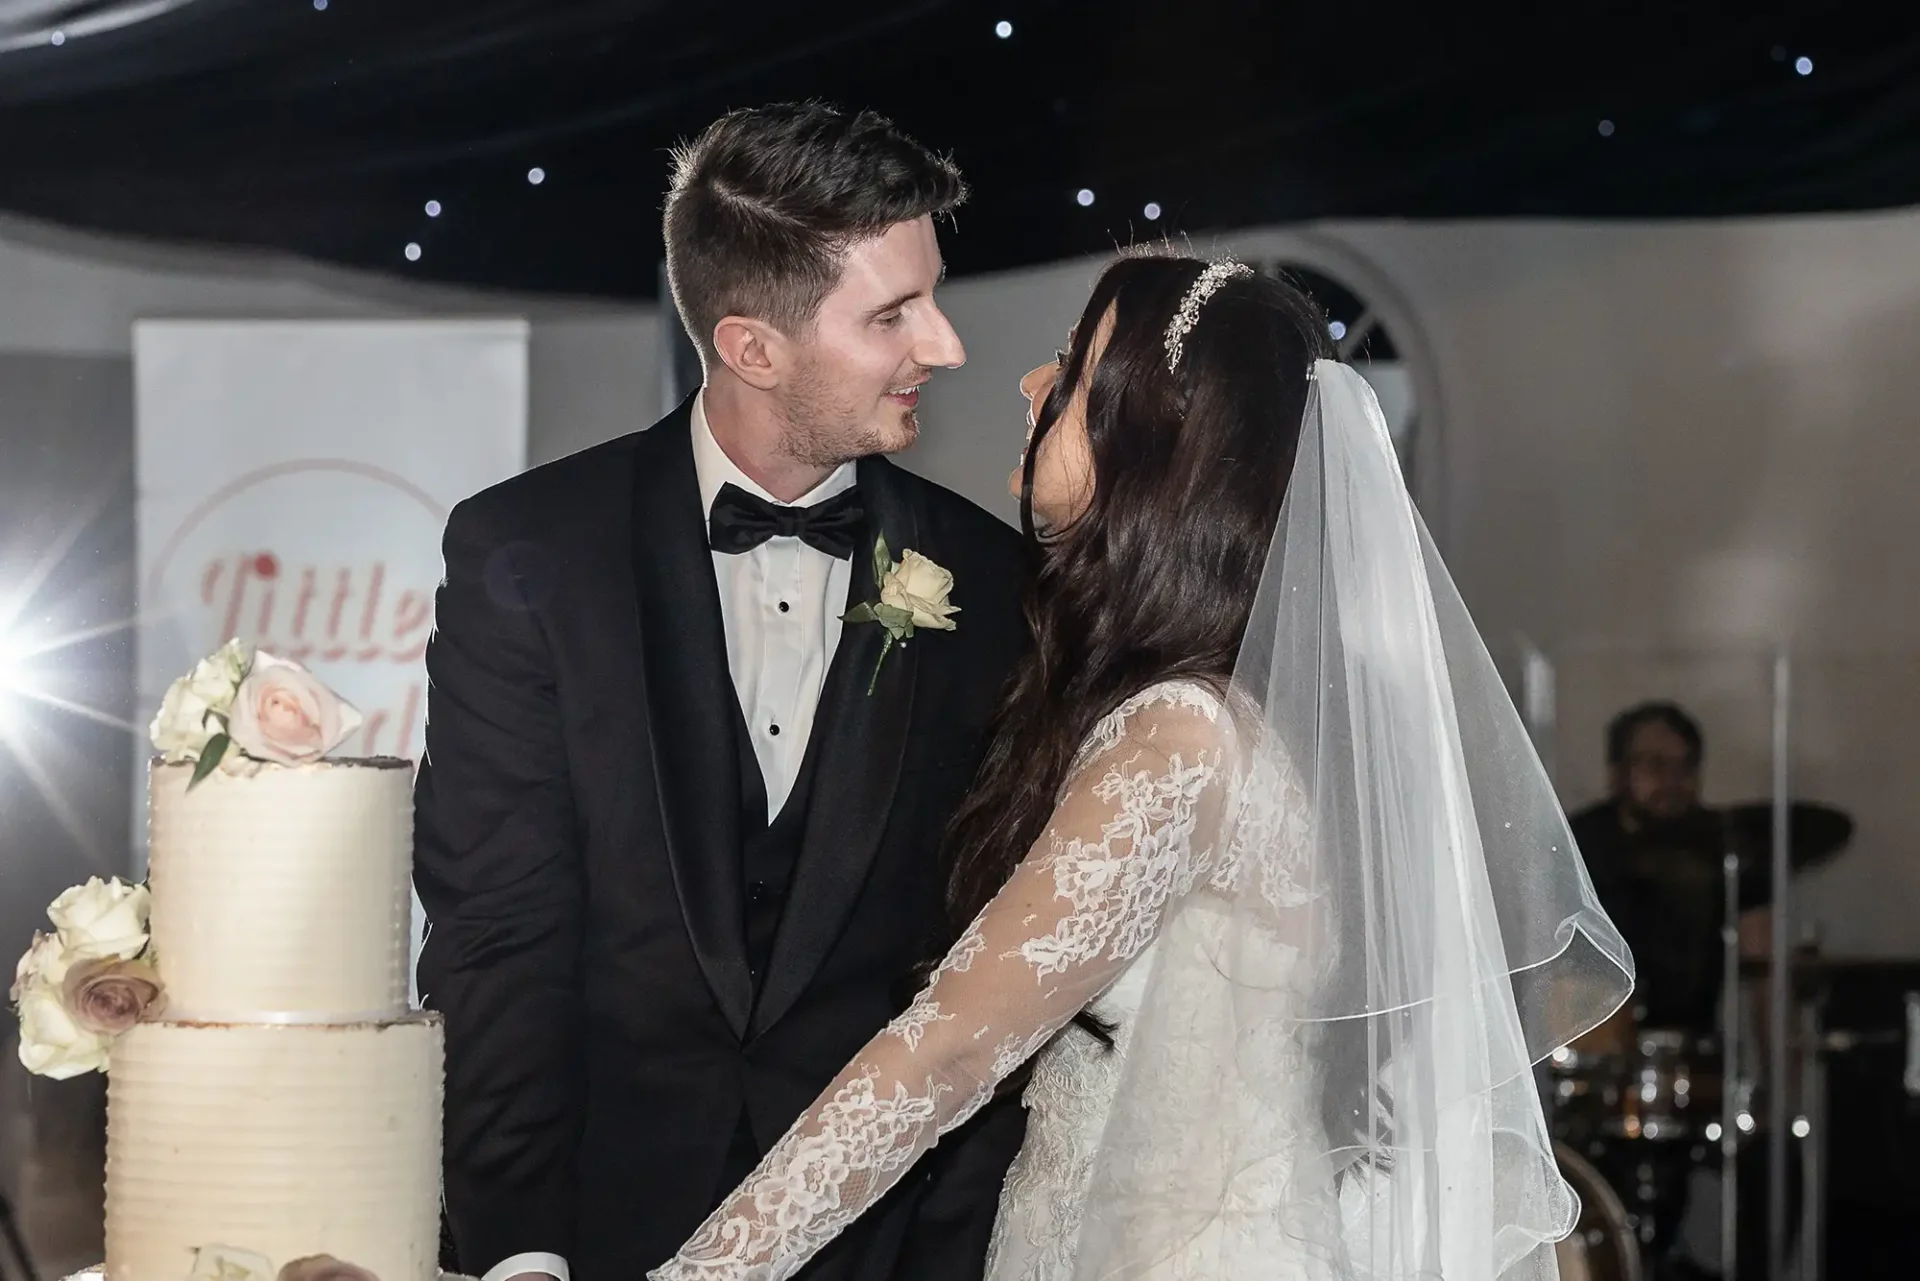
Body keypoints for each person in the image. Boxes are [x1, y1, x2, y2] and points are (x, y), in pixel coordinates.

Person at [650, 254, 1634, 1281]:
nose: (1034, 384)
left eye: (1074, 367)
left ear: (1160, 444)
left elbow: (945, 1052)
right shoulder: (1237, 716)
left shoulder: (1178, 741)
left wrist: (700, 1274)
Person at [413, 103, 1030, 1281]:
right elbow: (495, 934)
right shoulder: (527, 552)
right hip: (599, 1229)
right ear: (753, 346)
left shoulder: (995, 583)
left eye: (931, 297)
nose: (945, 347)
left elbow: (980, 963)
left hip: (886, 1244)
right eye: (895, 314)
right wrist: (521, 1252)